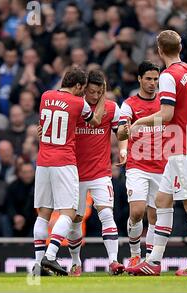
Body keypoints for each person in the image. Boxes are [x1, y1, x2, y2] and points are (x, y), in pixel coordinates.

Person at [126, 30, 187, 276]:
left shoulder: (168, 76)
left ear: (160, 51)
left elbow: (166, 115)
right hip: (185, 144)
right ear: (180, 48)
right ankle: (154, 262)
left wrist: (140, 123)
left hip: (182, 146)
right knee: (162, 201)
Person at [32, 67, 105, 276]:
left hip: (43, 161)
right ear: (80, 86)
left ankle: (38, 265)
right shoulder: (78, 102)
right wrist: (102, 97)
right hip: (64, 161)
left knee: (44, 213)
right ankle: (51, 256)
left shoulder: (45, 96)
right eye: (83, 89)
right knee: (69, 212)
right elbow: (95, 121)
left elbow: (47, 124)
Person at [65, 69, 125, 276]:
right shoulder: (74, 107)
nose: (95, 96)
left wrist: (124, 148)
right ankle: (76, 262)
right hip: (75, 174)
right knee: (75, 220)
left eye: (99, 92)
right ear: (83, 89)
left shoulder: (112, 108)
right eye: (91, 91)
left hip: (101, 172)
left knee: (107, 213)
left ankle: (113, 262)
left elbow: (120, 132)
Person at [116, 61, 166, 269]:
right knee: (137, 212)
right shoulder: (129, 104)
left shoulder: (165, 103)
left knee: (155, 216)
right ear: (139, 79)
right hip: (137, 165)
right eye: (148, 79)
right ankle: (135, 254)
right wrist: (123, 135)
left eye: (156, 79)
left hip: (161, 166)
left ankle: (149, 259)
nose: (153, 83)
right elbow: (120, 130)